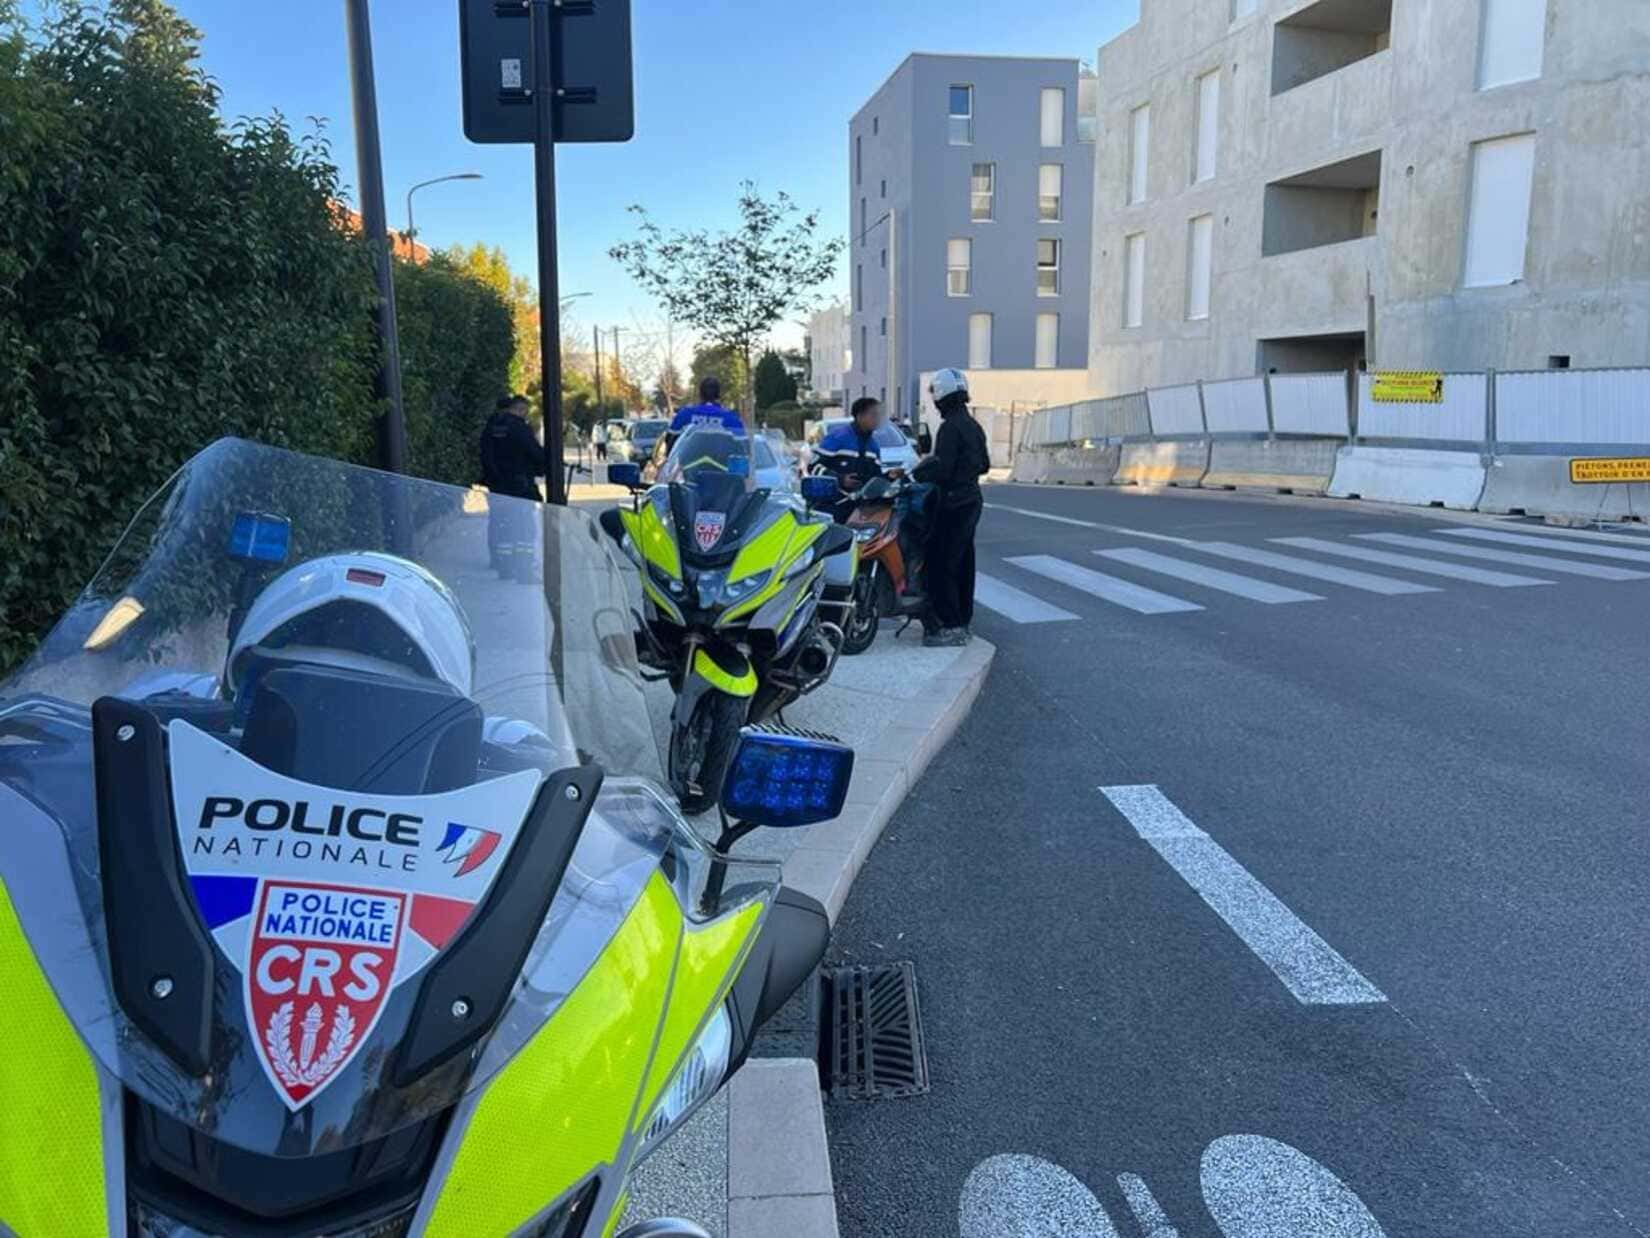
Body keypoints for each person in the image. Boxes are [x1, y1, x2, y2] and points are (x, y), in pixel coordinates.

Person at [912, 368, 990, 647]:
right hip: (971, 499)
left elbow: (941, 469)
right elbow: (985, 464)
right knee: (963, 562)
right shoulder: (973, 425)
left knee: (940, 562)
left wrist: (917, 473)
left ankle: (949, 625)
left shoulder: (949, 428)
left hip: (952, 502)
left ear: (941, 395)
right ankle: (962, 620)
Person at [479, 393, 544, 578]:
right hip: (520, 485)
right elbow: (535, 453)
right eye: (524, 411)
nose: (525, 415)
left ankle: (504, 567)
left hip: (498, 485)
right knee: (524, 528)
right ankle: (525, 571)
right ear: (519, 409)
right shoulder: (519, 428)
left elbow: (485, 455)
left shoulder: (491, 427)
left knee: (501, 525)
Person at [811, 396, 890, 521]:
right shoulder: (836, 438)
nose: (878, 420)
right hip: (831, 506)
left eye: (879, 416)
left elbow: (875, 478)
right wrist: (840, 479)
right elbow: (813, 467)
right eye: (873, 415)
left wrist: (890, 476)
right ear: (860, 416)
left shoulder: (873, 446)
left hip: (861, 510)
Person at [667, 376, 746, 449]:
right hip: (722, 463)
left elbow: (670, 441)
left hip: (688, 464)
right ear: (718, 394)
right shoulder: (731, 418)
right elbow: (743, 447)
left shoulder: (685, 414)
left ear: (700, 394)